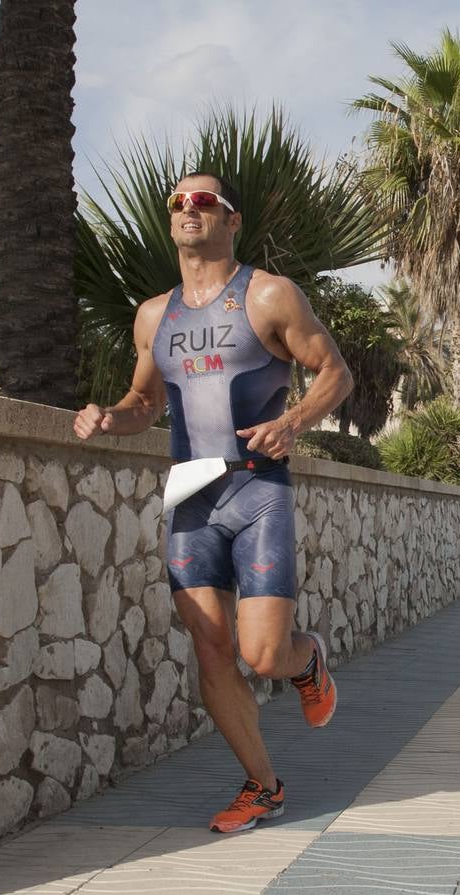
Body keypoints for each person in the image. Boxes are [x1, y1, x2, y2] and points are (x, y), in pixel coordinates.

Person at [73, 172, 350, 833]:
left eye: (205, 201)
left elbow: (335, 370)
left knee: (261, 655)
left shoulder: (269, 295)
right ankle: (264, 786)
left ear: (232, 220)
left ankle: (305, 659)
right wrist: (109, 418)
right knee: (211, 649)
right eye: (179, 202)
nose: (189, 209)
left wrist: (296, 421)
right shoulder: (152, 315)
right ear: (170, 221)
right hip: (191, 497)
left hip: (257, 489)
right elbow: (143, 402)